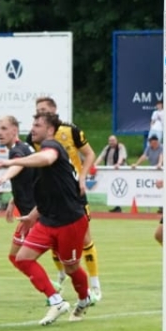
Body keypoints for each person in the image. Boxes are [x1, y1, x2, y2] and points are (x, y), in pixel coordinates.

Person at [0, 113, 94, 325]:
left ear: (50, 130)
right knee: (22, 258)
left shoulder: (51, 146)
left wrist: (10, 163)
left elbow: (47, 158)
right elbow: (47, 192)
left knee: (71, 268)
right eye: (33, 124)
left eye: (37, 125)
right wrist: (32, 215)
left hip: (70, 221)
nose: (33, 128)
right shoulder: (38, 152)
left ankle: (84, 299)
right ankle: (56, 301)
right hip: (48, 219)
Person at [35, 97, 103, 302]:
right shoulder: (36, 135)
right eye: (38, 110)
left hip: (74, 192)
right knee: (53, 238)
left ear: (54, 111)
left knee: (85, 238)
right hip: (52, 196)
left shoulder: (70, 130)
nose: (40, 114)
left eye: (44, 110)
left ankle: (95, 285)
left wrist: (82, 177)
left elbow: (89, 154)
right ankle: (61, 278)